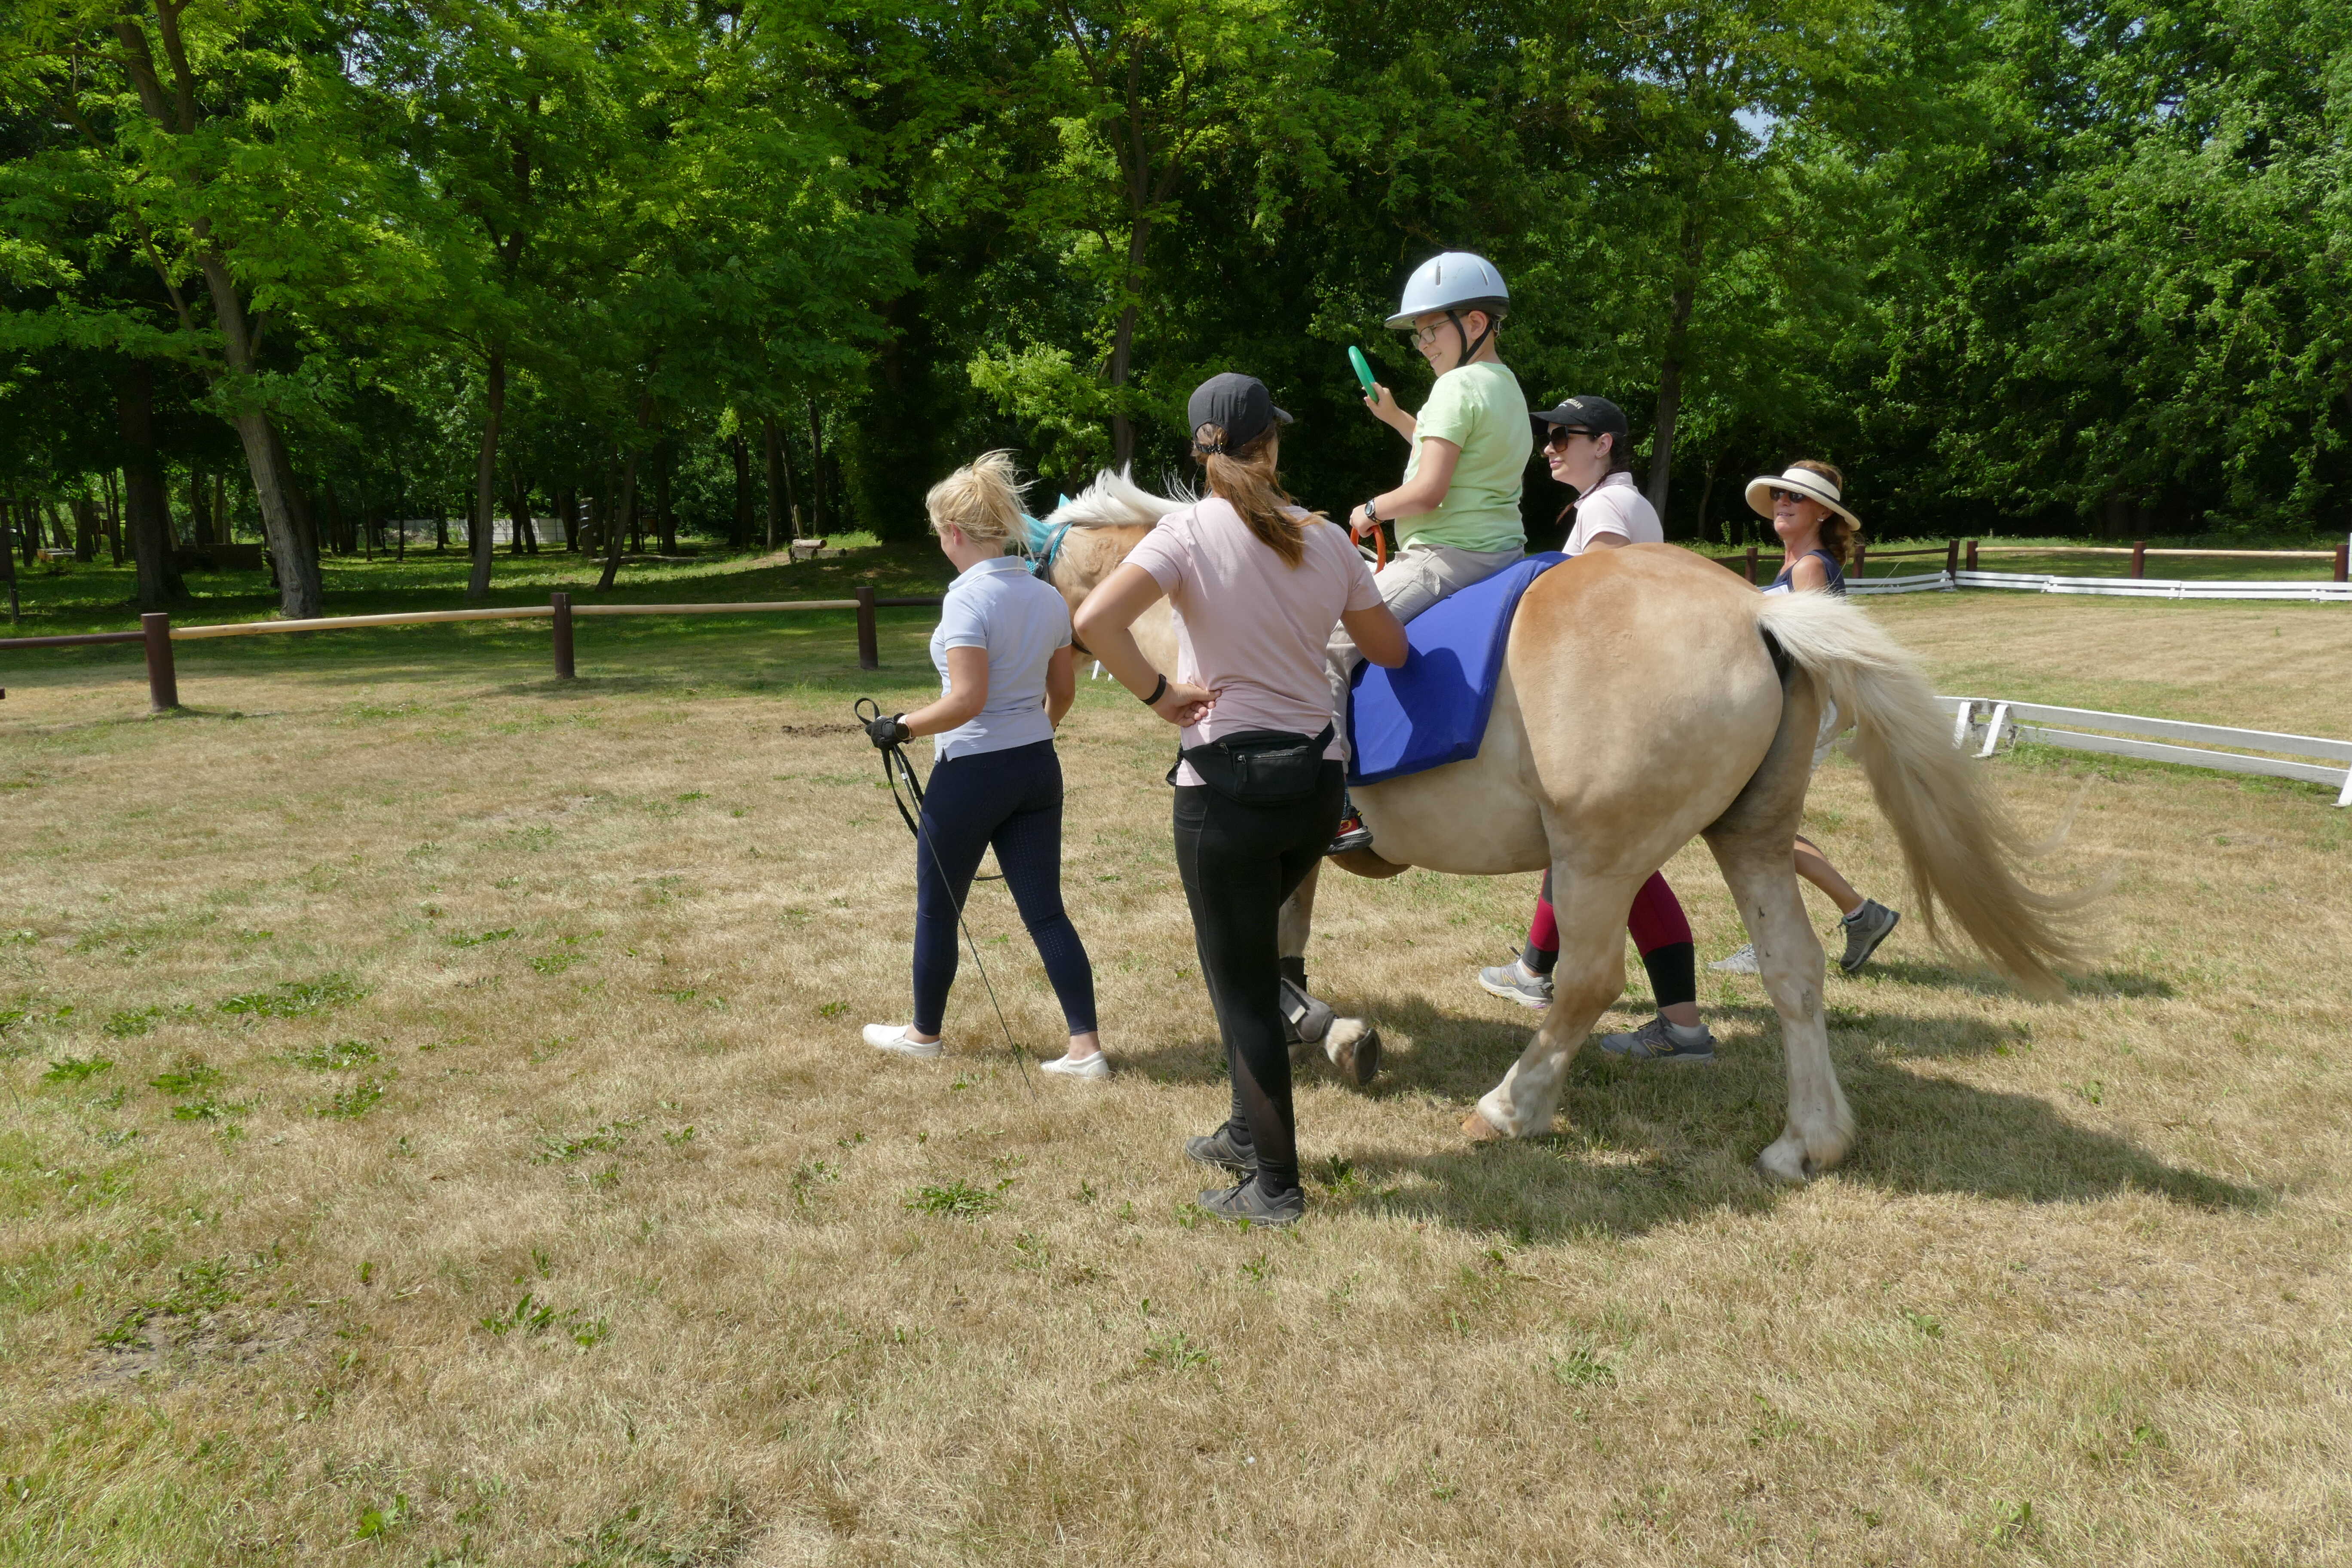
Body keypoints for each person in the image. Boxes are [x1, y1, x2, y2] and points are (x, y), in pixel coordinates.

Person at [1074, 373, 1408, 1226]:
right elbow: (1389, 650)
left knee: (1244, 987)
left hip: (1224, 794)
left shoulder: (1185, 533)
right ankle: (1239, 1129)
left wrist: (1160, 696)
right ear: (1271, 442)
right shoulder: (1325, 539)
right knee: (1242, 964)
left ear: (1201, 452)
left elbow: (1095, 622)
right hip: (1315, 791)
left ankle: (1275, 1186)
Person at [1472, 395, 1718, 1064]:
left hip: (1611, 710)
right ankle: (1534, 971)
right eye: (1549, 437)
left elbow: (1594, 615)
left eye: (1564, 437)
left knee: (1619, 862)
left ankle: (1683, 1027)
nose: (1550, 448)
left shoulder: (1605, 511)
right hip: (1634, 702)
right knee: (1587, 850)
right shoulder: (1620, 503)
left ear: (1603, 444)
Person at [858, 452, 1105, 1078]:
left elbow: (966, 700)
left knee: (938, 908)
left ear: (954, 533)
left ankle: (924, 1034)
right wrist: (1031, 736)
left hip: (972, 772)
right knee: (1046, 911)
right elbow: (1063, 693)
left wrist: (900, 726)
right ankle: (1086, 1048)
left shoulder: (967, 602)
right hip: (1037, 767)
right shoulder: (1047, 597)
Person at [1326, 251, 1533, 854]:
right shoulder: (1506, 387)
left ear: (1475, 323)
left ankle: (1331, 804)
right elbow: (1455, 454)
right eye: (1417, 334)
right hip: (1503, 553)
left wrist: (1370, 510)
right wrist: (1396, 418)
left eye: (1431, 330)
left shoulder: (1454, 387)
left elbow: (1429, 490)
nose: (1422, 345)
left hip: (1446, 556)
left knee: (1327, 639)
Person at [1709, 459, 1901, 976]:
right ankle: (1854, 916)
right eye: (1779, 495)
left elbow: (1815, 658)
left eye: (1796, 497)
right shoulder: (1795, 564)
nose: (1783, 502)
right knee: (1759, 825)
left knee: (1756, 825)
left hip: (1805, 712)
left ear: (1822, 512)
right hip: (1786, 710)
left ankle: (1809, 928)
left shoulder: (1810, 568)